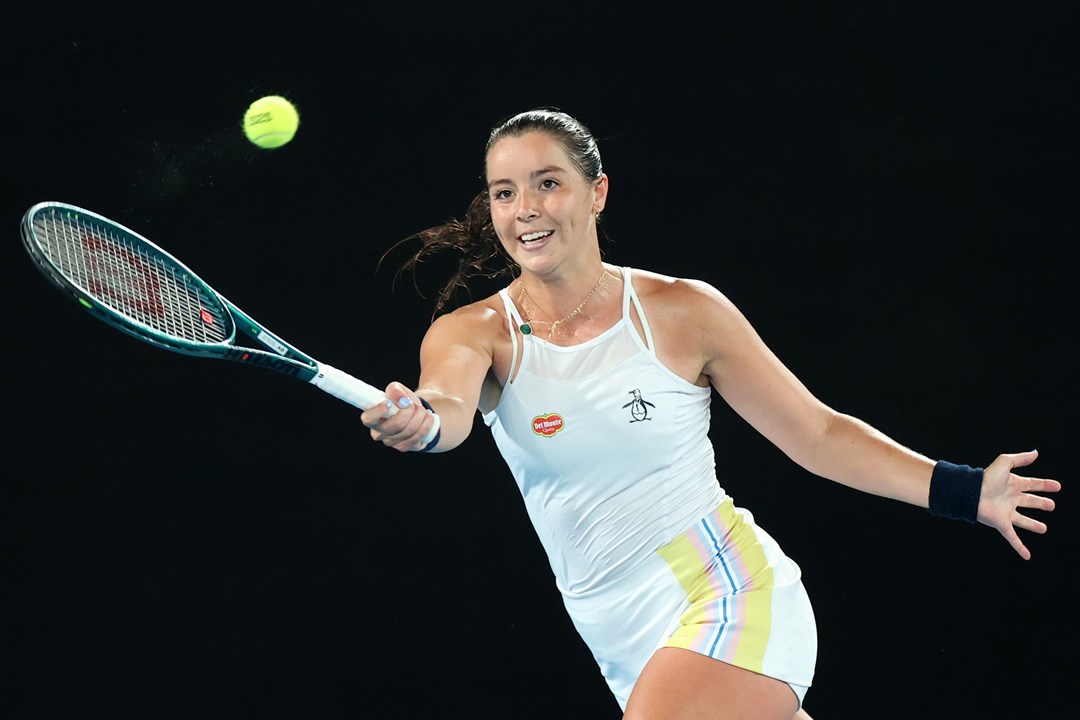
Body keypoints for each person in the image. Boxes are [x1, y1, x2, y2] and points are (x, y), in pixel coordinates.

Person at [360, 108, 1060, 720]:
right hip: (619, 635)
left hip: (727, 592)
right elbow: (446, 405)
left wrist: (965, 490)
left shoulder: (683, 311)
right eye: (504, 193)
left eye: (549, 183)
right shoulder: (473, 331)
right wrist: (420, 421)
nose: (525, 209)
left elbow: (814, 432)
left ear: (596, 192)